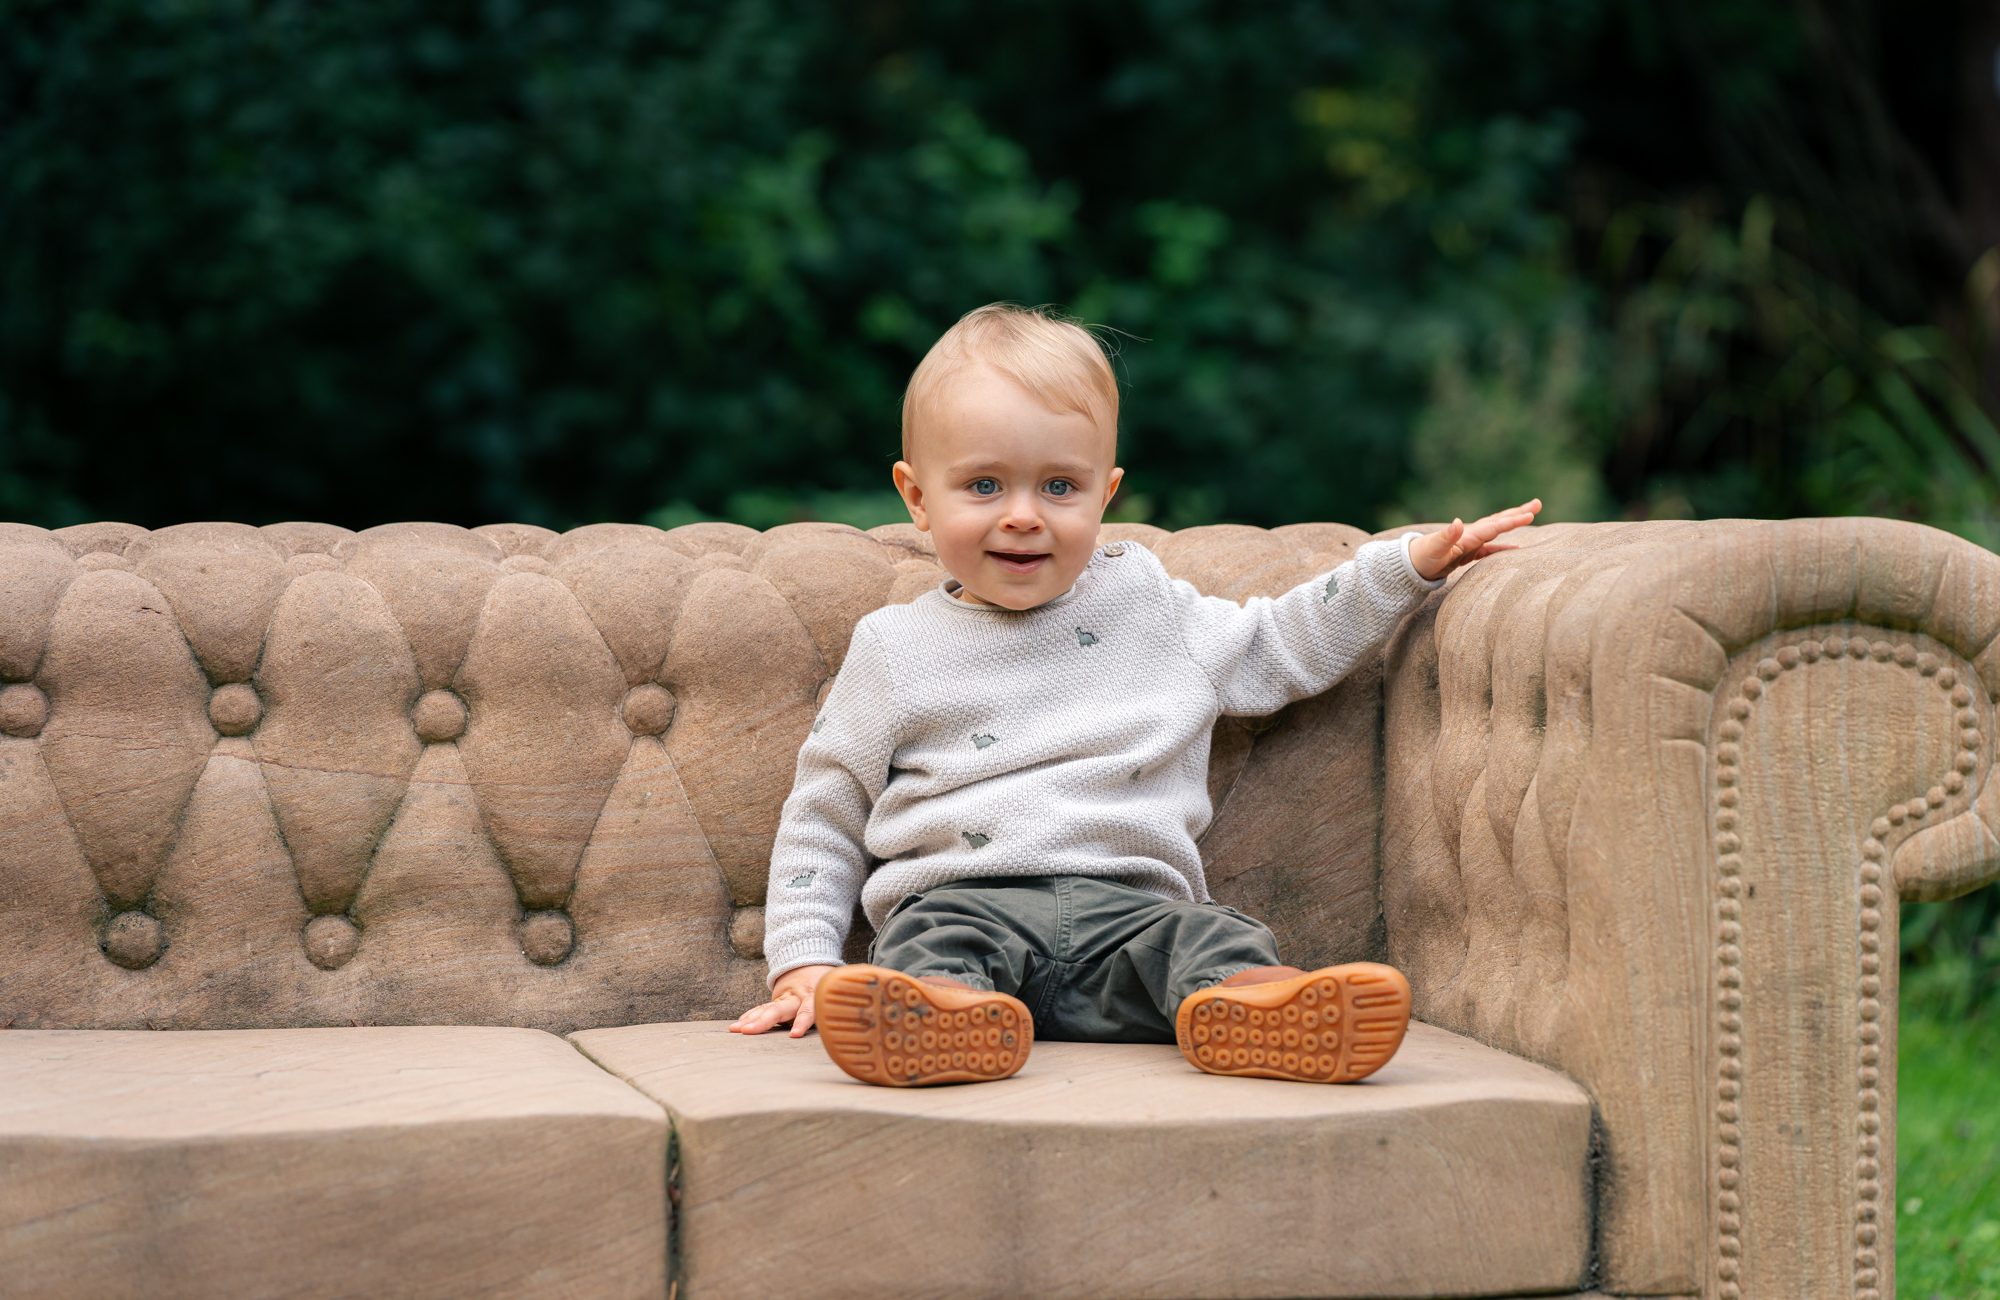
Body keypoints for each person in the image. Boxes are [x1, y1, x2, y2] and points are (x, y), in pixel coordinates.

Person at [729, 302, 1539, 1087]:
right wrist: (802, 963)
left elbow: (1279, 643)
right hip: (963, 906)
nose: (1022, 517)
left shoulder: (1149, 606)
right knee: (926, 949)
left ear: (1105, 494)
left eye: (1058, 487)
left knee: (1213, 941)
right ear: (915, 496)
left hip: (1133, 913)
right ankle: (946, 1021)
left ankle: (1254, 1009)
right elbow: (826, 806)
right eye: (982, 486)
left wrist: (1406, 568)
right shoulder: (894, 647)